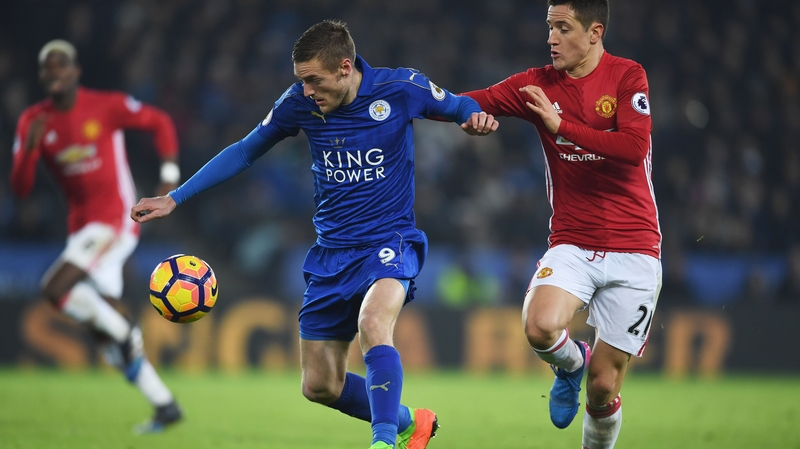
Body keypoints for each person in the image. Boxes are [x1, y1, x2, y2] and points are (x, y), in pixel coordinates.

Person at [131, 19, 498, 449]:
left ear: (345, 68)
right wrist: (175, 198)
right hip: (331, 254)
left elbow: (459, 107)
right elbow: (246, 150)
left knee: (374, 322)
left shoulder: (401, 88)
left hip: (388, 242)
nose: (307, 90)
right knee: (319, 384)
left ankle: (381, 442)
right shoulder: (298, 104)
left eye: (313, 80)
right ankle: (407, 422)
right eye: (301, 81)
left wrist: (475, 119)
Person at [462, 1, 661, 448]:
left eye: (563, 28)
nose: (551, 38)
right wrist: (460, 115)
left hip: (636, 247)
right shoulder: (537, 85)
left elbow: (633, 146)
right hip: (573, 240)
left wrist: (560, 125)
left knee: (605, 387)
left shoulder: (628, 76)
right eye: (549, 27)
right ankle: (571, 363)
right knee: (539, 326)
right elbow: (469, 100)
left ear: (594, 32)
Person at [11, 40, 183, 434]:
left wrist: (169, 178)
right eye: (47, 68)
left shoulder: (105, 106)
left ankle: (127, 333)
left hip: (116, 219)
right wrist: (29, 150)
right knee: (103, 324)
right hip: (81, 229)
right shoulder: (34, 121)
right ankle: (164, 403)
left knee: (55, 288)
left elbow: (160, 122)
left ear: (75, 72)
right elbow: (20, 189)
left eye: (61, 66)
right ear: (42, 77)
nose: (54, 73)